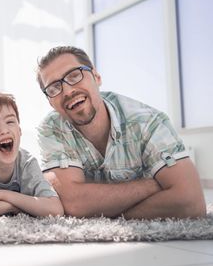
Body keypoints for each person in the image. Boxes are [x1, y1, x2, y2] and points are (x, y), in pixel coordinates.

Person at [36, 46, 206, 219]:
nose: (68, 91)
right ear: (50, 102)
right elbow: (73, 203)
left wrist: (107, 214)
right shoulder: (51, 129)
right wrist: (151, 186)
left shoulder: (149, 121)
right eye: (54, 88)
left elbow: (190, 203)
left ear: (96, 77)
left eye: (74, 75)